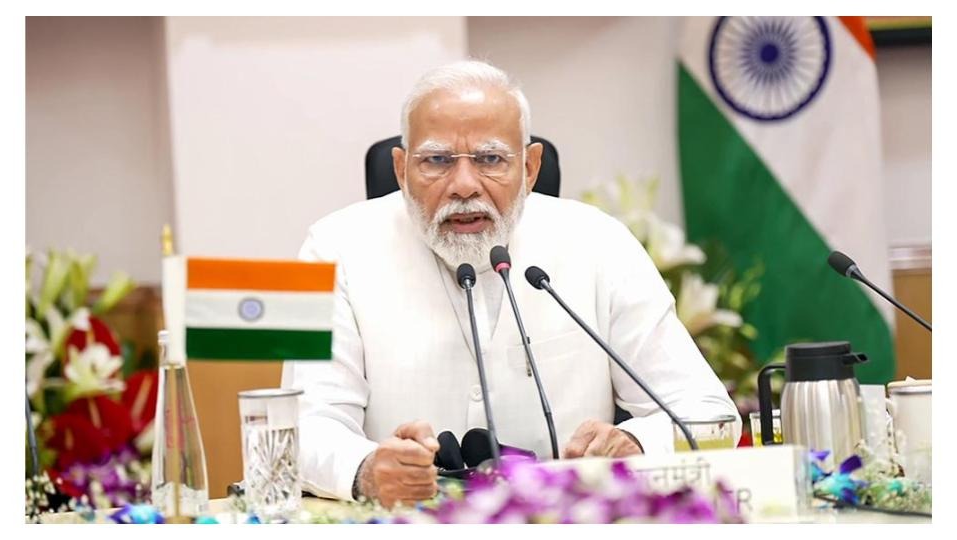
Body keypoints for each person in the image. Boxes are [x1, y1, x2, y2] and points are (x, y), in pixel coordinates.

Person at [281, 60, 740, 508]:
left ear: (530, 167)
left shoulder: (601, 242)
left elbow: (709, 412)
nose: (464, 185)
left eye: (491, 159)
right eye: (437, 160)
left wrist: (637, 442)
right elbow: (302, 429)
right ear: (401, 169)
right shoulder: (330, 248)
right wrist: (366, 469)